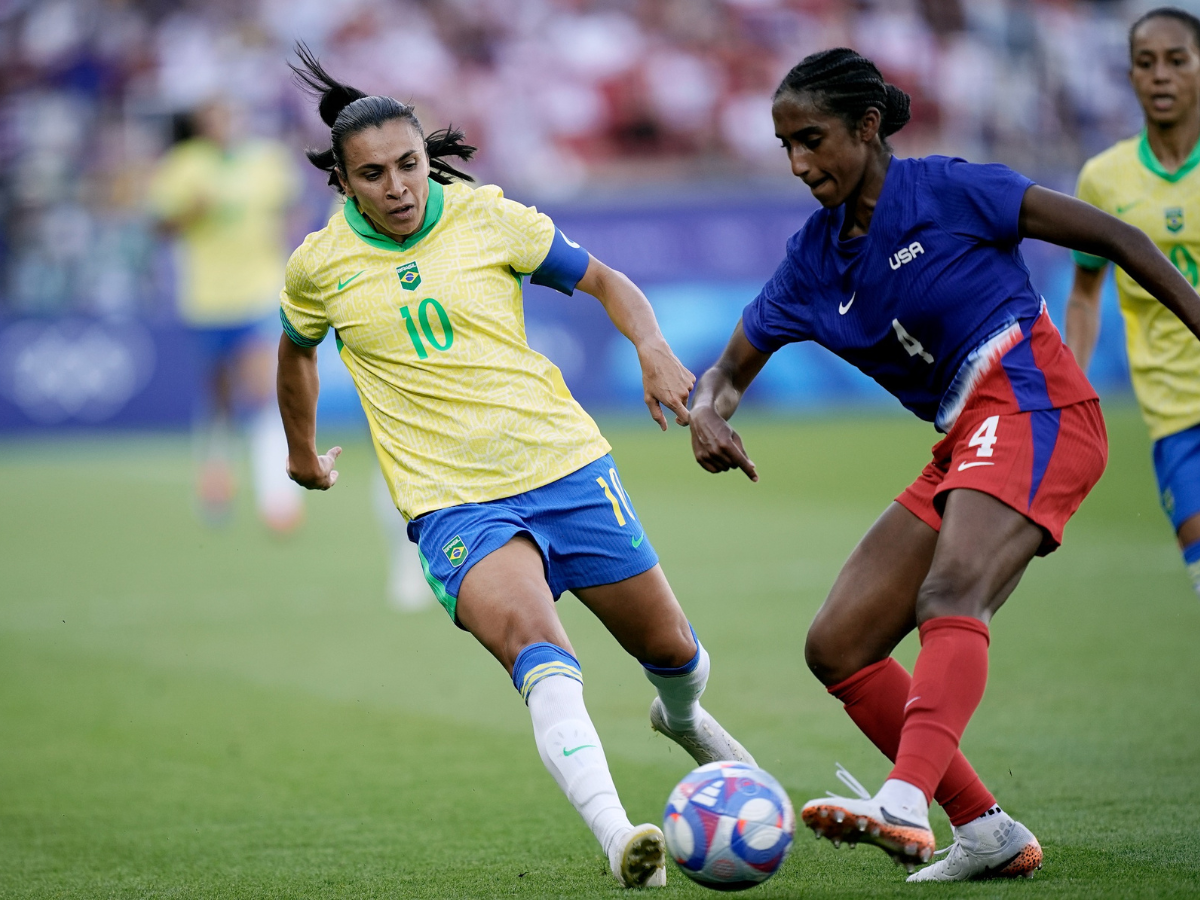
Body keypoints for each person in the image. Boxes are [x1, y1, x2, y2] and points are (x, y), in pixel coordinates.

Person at [688, 48, 1200, 882]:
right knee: (839, 644)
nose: (798, 163)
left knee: (950, 594)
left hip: (1038, 404)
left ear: (866, 126)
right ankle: (986, 831)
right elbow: (730, 369)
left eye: (812, 139)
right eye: (785, 146)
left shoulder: (952, 190)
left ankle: (903, 800)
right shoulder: (813, 260)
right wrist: (708, 411)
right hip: (967, 434)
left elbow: (1116, 236)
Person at [276, 47, 754, 889]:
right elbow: (296, 353)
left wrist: (650, 347)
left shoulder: (489, 216)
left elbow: (607, 280)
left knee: (675, 652)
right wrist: (300, 453)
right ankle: (620, 837)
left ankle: (680, 717)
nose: (398, 187)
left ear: (430, 157)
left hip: (565, 464)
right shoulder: (320, 265)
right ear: (344, 183)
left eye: (410, 165)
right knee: (540, 650)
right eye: (375, 174)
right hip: (453, 501)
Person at [1068, 7, 1200, 596]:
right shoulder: (1103, 179)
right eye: (1146, 63)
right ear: (1130, 77)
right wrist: (1069, 384)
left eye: (1177, 60)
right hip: (1176, 415)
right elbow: (1085, 294)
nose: (1161, 76)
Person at [148, 99, 304, 531]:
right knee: (218, 396)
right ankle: (215, 476)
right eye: (212, 118)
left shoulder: (266, 160)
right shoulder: (184, 167)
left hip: (257, 293)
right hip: (205, 299)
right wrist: (192, 211)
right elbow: (159, 226)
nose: (223, 124)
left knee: (262, 390)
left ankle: (278, 498)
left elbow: (290, 210)